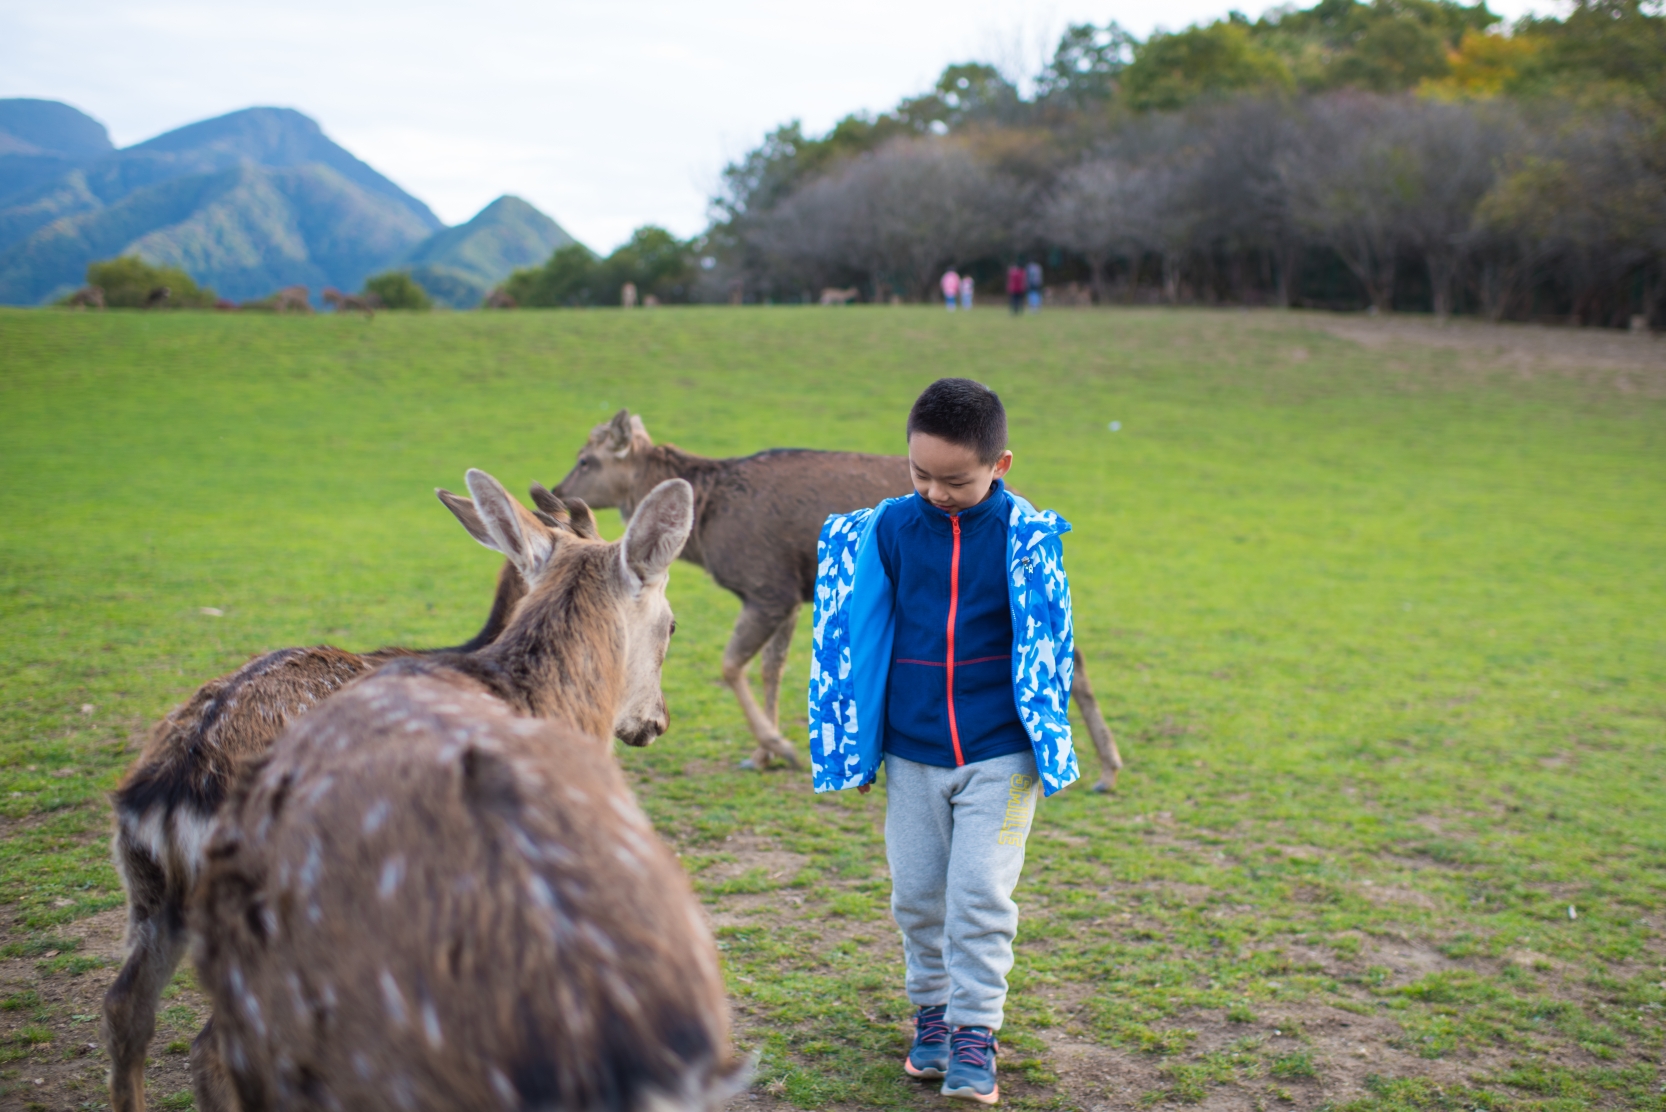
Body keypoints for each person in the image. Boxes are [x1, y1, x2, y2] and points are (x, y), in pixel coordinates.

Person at [808, 378, 1079, 1105]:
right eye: (919, 473)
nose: (935, 492)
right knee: (920, 896)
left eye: (955, 479)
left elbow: (1051, 643)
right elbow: (858, 634)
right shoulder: (891, 529)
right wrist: (856, 742)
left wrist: (1051, 743)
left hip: (1001, 752)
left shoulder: (1026, 537)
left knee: (979, 896)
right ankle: (932, 1015)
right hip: (912, 750)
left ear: (1001, 465)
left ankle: (974, 1033)